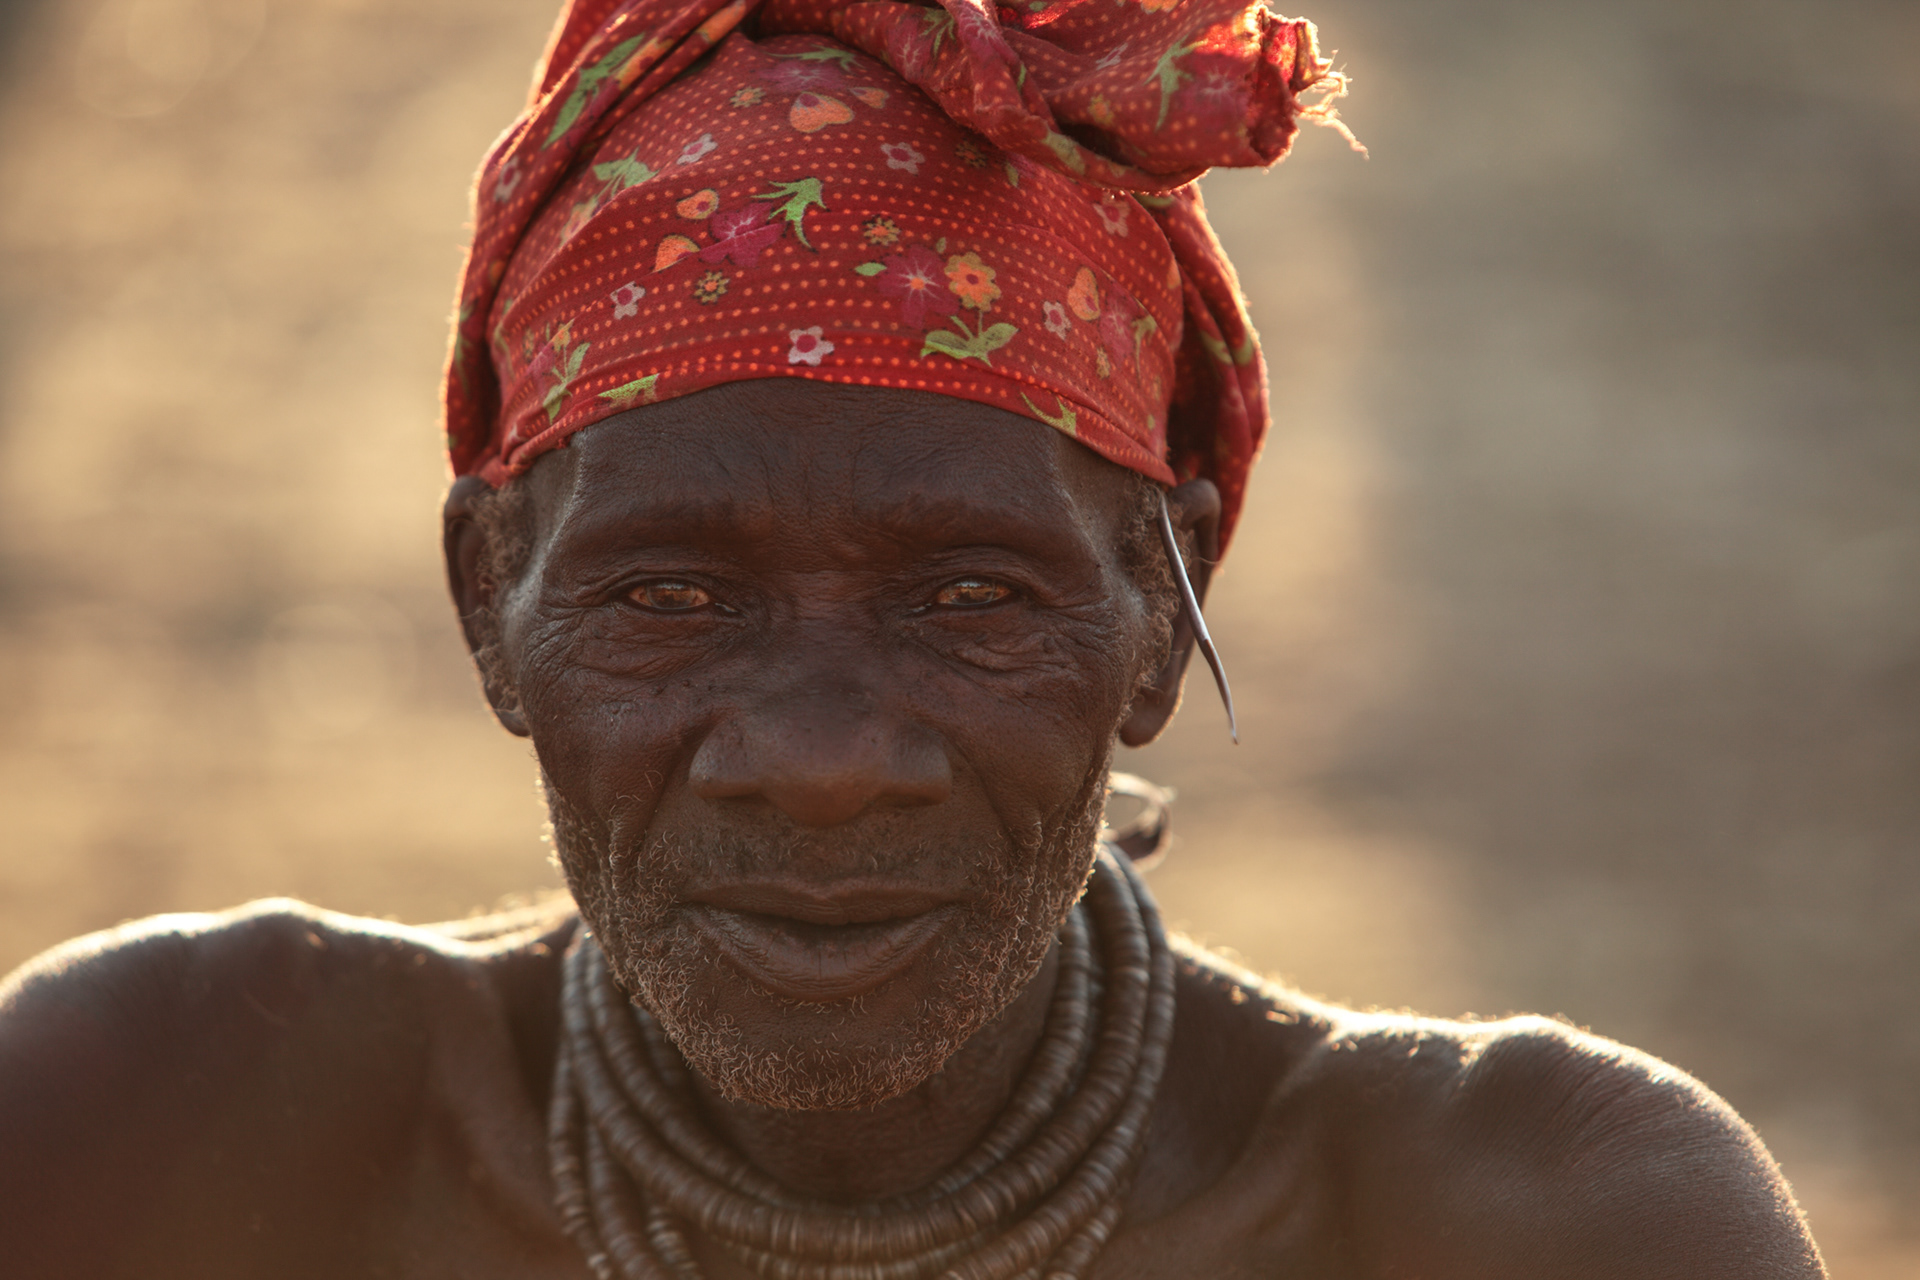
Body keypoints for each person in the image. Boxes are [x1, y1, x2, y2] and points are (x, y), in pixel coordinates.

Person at [0, 1, 1826, 1276]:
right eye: (670, 597)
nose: (819, 760)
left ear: (1160, 612)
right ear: (493, 603)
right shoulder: (161, 1123)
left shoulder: (1537, 1223)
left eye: (971, 599)